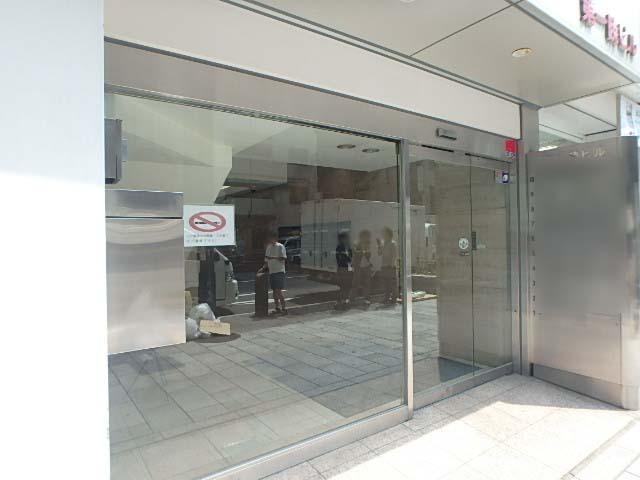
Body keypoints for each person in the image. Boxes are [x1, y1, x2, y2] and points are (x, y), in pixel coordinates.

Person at [263, 232, 288, 315]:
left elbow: (283, 258)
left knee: (278, 290)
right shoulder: (269, 247)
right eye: (269, 238)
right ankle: (277, 307)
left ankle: (284, 308)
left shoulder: (280, 246)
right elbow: (266, 260)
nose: (270, 240)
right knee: (274, 291)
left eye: (271, 238)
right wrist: (263, 268)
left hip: (279, 271)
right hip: (272, 271)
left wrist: (273, 257)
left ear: (275, 238)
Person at [351, 229, 373, 306]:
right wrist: (363, 251)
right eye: (365, 236)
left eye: (367, 236)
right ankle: (351, 299)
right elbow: (354, 253)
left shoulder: (368, 244)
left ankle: (367, 299)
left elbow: (369, 254)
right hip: (358, 267)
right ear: (361, 236)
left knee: (367, 284)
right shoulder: (356, 243)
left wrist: (363, 252)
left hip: (366, 266)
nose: (366, 237)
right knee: (355, 283)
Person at [378, 227, 399, 304]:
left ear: (389, 234)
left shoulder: (393, 243)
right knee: (386, 284)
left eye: (384, 234)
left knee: (392, 284)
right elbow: (379, 253)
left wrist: (392, 265)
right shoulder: (383, 243)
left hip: (390, 266)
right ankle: (386, 298)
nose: (383, 235)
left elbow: (394, 255)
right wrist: (379, 246)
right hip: (384, 266)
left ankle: (394, 299)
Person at [335, 231, 353, 309]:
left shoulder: (348, 247)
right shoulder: (339, 247)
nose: (347, 239)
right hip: (342, 268)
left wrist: (351, 268)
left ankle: (344, 301)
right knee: (343, 286)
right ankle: (340, 302)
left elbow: (351, 257)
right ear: (342, 239)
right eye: (345, 238)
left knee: (347, 286)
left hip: (347, 268)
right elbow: (341, 259)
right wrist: (348, 259)